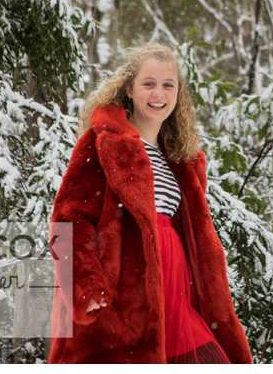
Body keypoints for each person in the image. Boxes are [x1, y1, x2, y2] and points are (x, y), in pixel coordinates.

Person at [47, 40, 253, 364]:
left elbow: (197, 238)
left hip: (179, 299)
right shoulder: (104, 143)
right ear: (130, 88)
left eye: (167, 85)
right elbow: (68, 218)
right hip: (124, 303)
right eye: (149, 84)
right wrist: (87, 287)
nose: (158, 94)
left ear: (178, 93)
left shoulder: (182, 161)